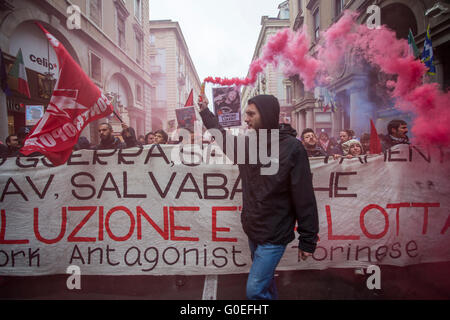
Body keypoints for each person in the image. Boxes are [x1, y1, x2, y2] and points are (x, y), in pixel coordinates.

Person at [197, 93, 319, 300]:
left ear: (267, 115)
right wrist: (204, 112)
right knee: (266, 282)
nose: (246, 119)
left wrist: (308, 239)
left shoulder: (292, 148)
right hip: (253, 229)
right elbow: (222, 137)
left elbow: (304, 196)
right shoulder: (247, 144)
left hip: (275, 234)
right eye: (246, 114)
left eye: (251, 114)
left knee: (254, 291)